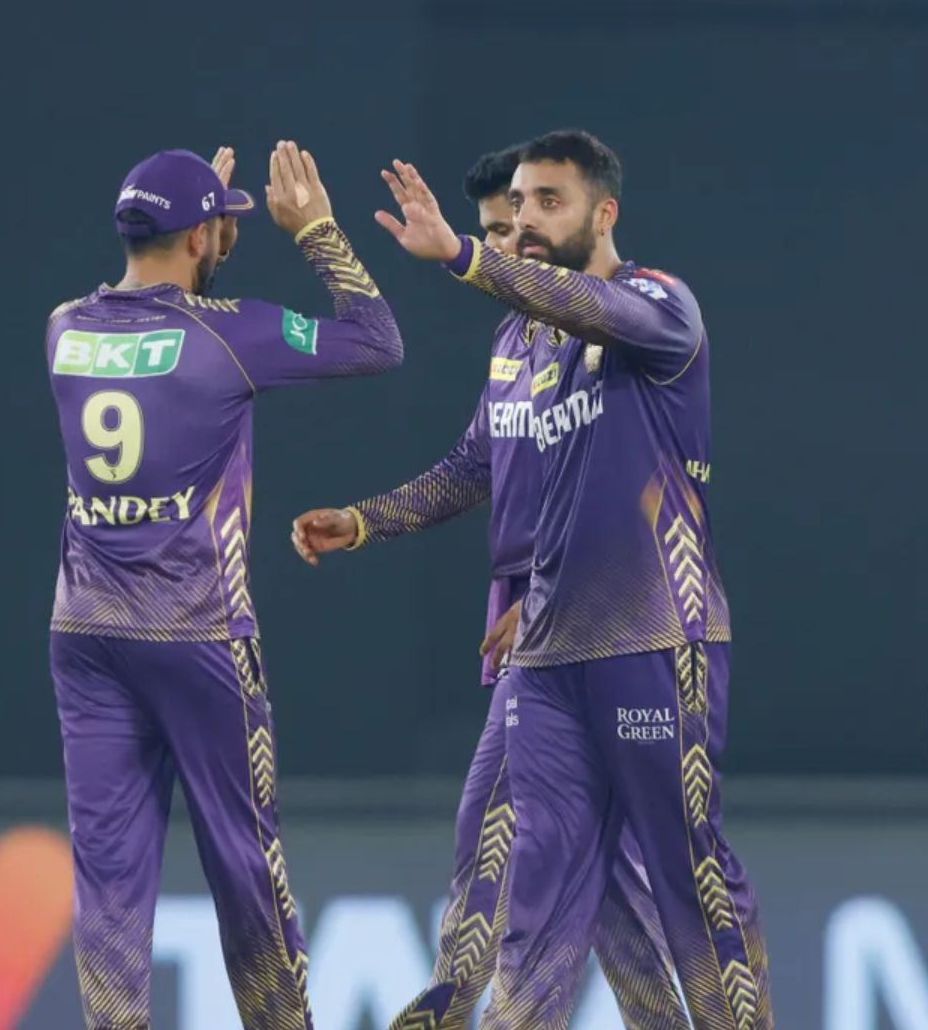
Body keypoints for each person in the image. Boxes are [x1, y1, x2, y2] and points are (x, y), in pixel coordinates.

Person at [373, 129, 772, 1030]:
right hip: (551, 656)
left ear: (605, 211)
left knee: (683, 872)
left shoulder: (660, 306)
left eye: (547, 202)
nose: (527, 220)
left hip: (655, 641)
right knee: (543, 872)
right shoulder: (530, 354)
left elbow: (598, 317)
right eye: (517, 206)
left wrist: (465, 256)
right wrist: (372, 527)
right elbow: (510, 482)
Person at [289, 145, 687, 1029]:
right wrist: (366, 519)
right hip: (530, 611)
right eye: (495, 233)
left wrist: (556, 594)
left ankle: (453, 997)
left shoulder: (613, 330)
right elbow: (476, 465)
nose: (511, 247)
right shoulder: (514, 341)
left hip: (588, 618)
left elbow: (618, 495)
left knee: (496, 814)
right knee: (601, 874)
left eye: (525, 229)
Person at [46, 143, 402, 1029]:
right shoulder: (228, 332)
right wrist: (316, 232)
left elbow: (151, 327)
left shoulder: (64, 327)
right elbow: (377, 341)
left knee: (108, 869)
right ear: (204, 232)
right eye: (219, 222)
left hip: (86, 633)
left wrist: (191, 211)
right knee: (244, 860)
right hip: (196, 632)